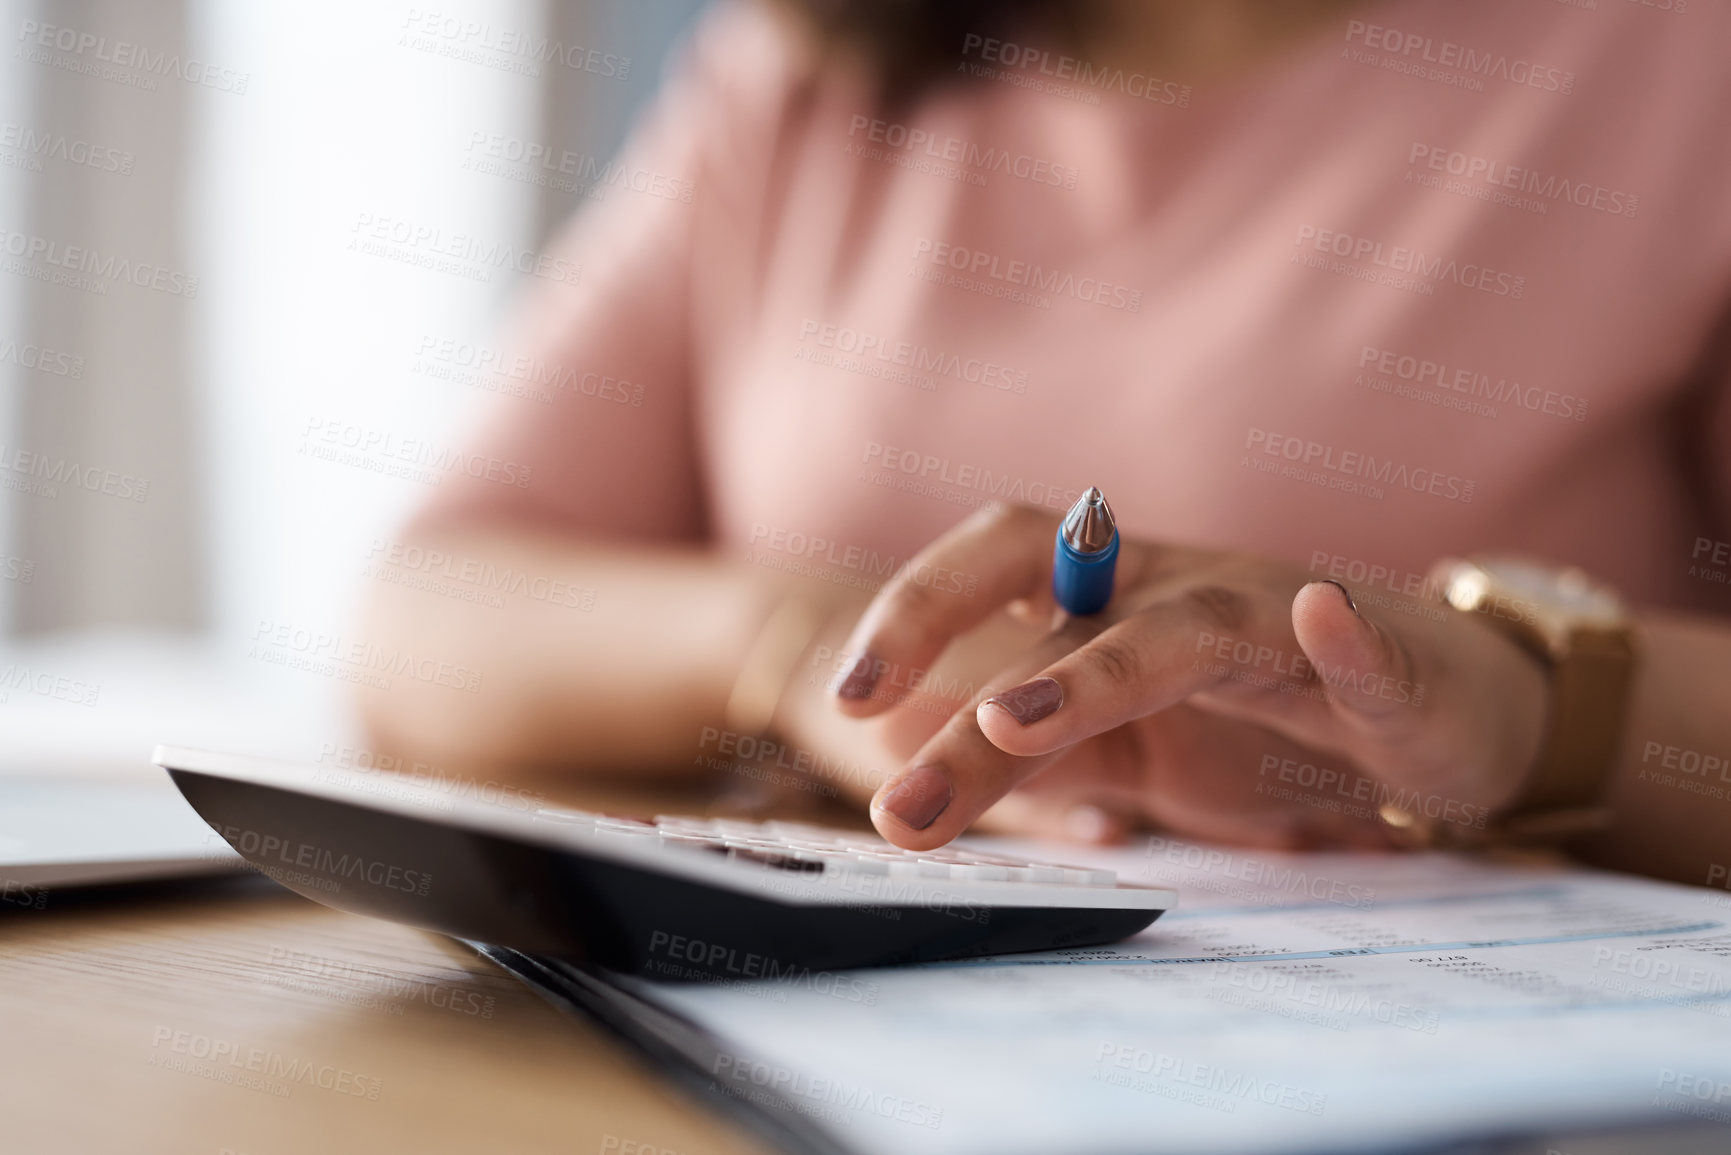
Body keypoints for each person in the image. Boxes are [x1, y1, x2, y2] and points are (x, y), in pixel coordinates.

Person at [358, 0, 1731, 886]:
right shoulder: (798, 69)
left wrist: (1528, 709)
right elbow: (421, 627)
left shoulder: (1680, 58)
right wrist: (800, 650)